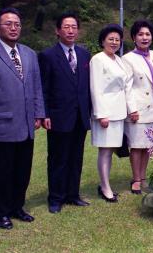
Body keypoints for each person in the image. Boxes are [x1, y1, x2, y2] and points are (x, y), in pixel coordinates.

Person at [0, 7, 45, 229]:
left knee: (22, 170)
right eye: (8, 24)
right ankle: (1, 211)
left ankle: (16, 207)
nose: (13, 28)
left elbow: (36, 87)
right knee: (1, 170)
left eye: (17, 24)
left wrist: (39, 113)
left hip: (26, 124)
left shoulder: (30, 54)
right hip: (1, 125)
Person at [38, 12, 91, 213]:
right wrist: (45, 114)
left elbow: (86, 87)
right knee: (58, 159)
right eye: (66, 27)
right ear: (57, 31)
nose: (70, 30)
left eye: (74, 27)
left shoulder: (85, 55)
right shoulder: (47, 56)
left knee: (76, 157)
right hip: (58, 116)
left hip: (80, 116)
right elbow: (43, 87)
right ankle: (56, 198)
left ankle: (72, 194)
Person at [122, 20, 153, 194]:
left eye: (147, 34)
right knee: (137, 146)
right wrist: (132, 109)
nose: (144, 37)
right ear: (133, 38)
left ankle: (144, 177)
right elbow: (127, 86)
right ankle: (136, 178)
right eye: (140, 34)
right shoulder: (127, 59)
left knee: (148, 146)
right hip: (138, 109)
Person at [90, 24, 128, 203]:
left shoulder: (118, 59)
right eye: (110, 39)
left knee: (111, 149)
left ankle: (106, 184)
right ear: (102, 40)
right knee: (104, 151)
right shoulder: (98, 59)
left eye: (117, 40)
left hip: (118, 111)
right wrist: (101, 114)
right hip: (105, 113)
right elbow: (95, 88)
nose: (114, 42)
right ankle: (105, 187)